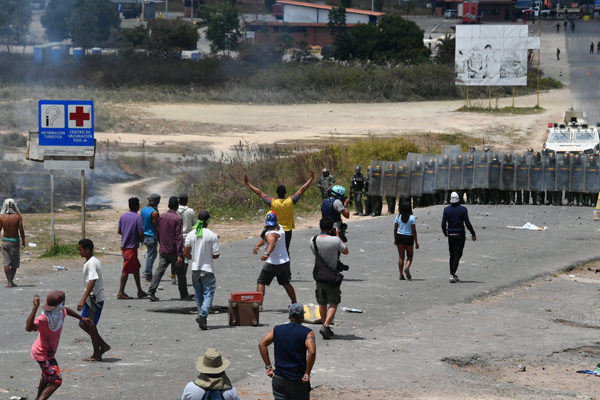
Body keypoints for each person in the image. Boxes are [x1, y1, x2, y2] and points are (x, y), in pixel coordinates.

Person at [26, 291, 93, 400]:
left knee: (47, 376)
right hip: (42, 353)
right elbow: (29, 328)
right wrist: (35, 308)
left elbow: (67, 310)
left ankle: (38, 397)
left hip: (49, 353)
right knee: (56, 380)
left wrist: (81, 318)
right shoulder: (44, 318)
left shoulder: (60, 312)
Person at [244, 169, 314, 255]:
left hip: (276, 229)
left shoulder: (272, 202)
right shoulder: (290, 201)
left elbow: (259, 193)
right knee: (286, 249)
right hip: (287, 230)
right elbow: (302, 189)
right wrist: (311, 178)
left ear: (277, 193)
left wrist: (248, 183)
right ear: (285, 193)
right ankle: (286, 265)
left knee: (274, 247)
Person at [258, 303, 316, 400]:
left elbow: (262, 344)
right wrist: (307, 373)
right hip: (298, 379)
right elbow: (312, 352)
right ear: (302, 317)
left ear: (289, 317)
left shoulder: (277, 329)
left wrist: (268, 367)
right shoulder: (307, 332)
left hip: (280, 378)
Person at [310, 217, 348, 340]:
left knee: (322, 302)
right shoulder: (335, 240)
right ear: (331, 228)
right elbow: (346, 251)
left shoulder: (314, 239)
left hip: (319, 275)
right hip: (332, 276)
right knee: (333, 302)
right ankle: (326, 325)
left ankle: (325, 325)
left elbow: (315, 253)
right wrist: (337, 235)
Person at [148, 196, 191, 301]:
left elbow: (157, 232)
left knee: (159, 270)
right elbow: (178, 237)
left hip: (163, 250)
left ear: (168, 205)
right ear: (177, 207)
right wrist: (180, 254)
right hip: (174, 251)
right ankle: (184, 294)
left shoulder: (162, 216)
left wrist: (161, 243)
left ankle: (151, 291)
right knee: (180, 273)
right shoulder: (177, 218)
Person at [184, 210, 220, 330]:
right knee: (209, 293)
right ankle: (203, 314)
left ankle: (202, 318)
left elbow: (185, 252)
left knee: (199, 295)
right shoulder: (212, 235)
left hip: (195, 269)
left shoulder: (191, 234)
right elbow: (216, 255)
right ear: (208, 221)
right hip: (207, 269)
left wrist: (193, 257)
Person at [253, 212, 297, 307]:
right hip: (284, 261)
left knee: (261, 282)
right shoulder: (280, 227)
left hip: (272, 263)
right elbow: (265, 239)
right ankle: (294, 302)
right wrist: (257, 245)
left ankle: (259, 304)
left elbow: (271, 242)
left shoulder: (270, 233)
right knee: (286, 283)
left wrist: (266, 254)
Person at [77, 239, 111, 361]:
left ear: (87, 250)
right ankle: (103, 345)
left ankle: (97, 353)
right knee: (84, 324)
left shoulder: (91, 263)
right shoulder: (92, 261)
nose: (79, 252)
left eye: (81, 249)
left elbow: (92, 280)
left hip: (94, 300)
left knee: (89, 325)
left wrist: (83, 299)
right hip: (92, 299)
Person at [441, 192, 476, 283]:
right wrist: (473, 233)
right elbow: (467, 223)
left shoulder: (446, 210)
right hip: (460, 235)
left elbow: (443, 224)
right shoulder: (463, 209)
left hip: (451, 235)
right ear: (458, 199)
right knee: (458, 254)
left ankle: (452, 273)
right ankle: (452, 274)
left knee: (452, 254)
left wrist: (445, 232)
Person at [117, 197, 147, 299]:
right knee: (126, 269)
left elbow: (119, 231)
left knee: (136, 268)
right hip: (131, 247)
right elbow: (140, 233)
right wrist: (142, 239)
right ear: (138, 206)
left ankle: (139, 290)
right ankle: (121, 292)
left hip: (124, 245)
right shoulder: (138, 218)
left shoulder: (123, 216)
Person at [0, 198, 25, 288]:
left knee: (6, 262)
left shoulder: (2, 217)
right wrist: (23, 242)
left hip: (5, 241)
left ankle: (9, 282)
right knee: (14, 262)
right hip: (15, 242)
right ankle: (11, 281)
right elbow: (21, 230)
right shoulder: (18, 217)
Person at [394, 202, 419, 281]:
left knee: (401, 257)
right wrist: (416, 242)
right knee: (410, 256)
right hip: (408, 237)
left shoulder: (398, 216)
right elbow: (414, 230)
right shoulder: (412, 217)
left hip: (399, 237)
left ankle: (401, 275)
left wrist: (395, 239)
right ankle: (407, 267)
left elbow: (395, 228)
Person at [177, 194, 196, 286]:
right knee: (186, 258)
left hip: (177, 237)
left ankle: (176, 276)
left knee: (177, 257)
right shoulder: (190, 211)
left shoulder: (175, 210)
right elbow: (194, 224)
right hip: (187, 237)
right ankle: (182, 278)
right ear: (187, 201)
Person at [141, 193, 160, 282]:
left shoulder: (143, 209)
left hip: (145, 235)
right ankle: (148, 274)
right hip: (152, 236)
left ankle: (146, 272)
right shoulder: (154, 213)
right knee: (151, 256)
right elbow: (156, 226)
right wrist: (159, 237)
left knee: (151, 254)